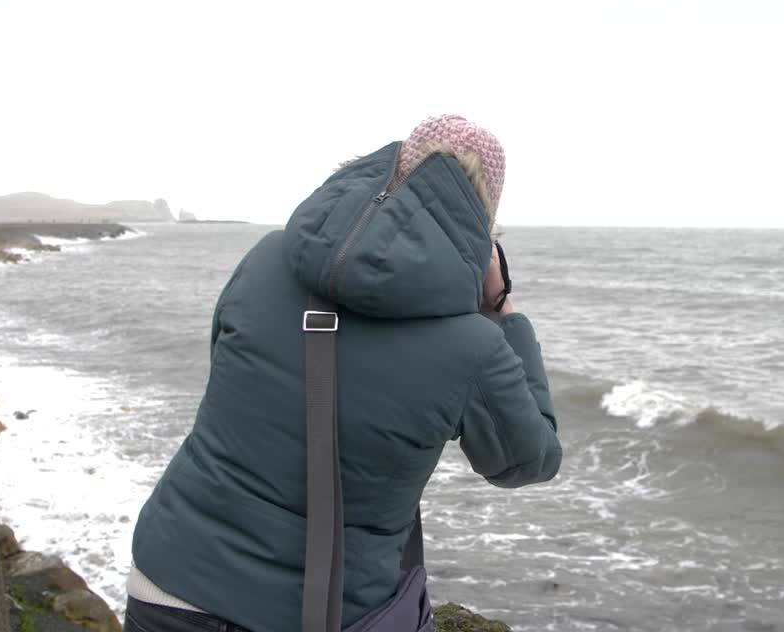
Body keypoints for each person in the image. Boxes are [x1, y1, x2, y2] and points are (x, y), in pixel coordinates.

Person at [124, 114, 563, 631]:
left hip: (166, 585)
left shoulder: (266, 257)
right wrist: (504, 309)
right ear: (481, 218)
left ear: (390, 169)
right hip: (317, 615)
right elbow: (528, 460)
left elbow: (223, 357)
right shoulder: (474, 345)